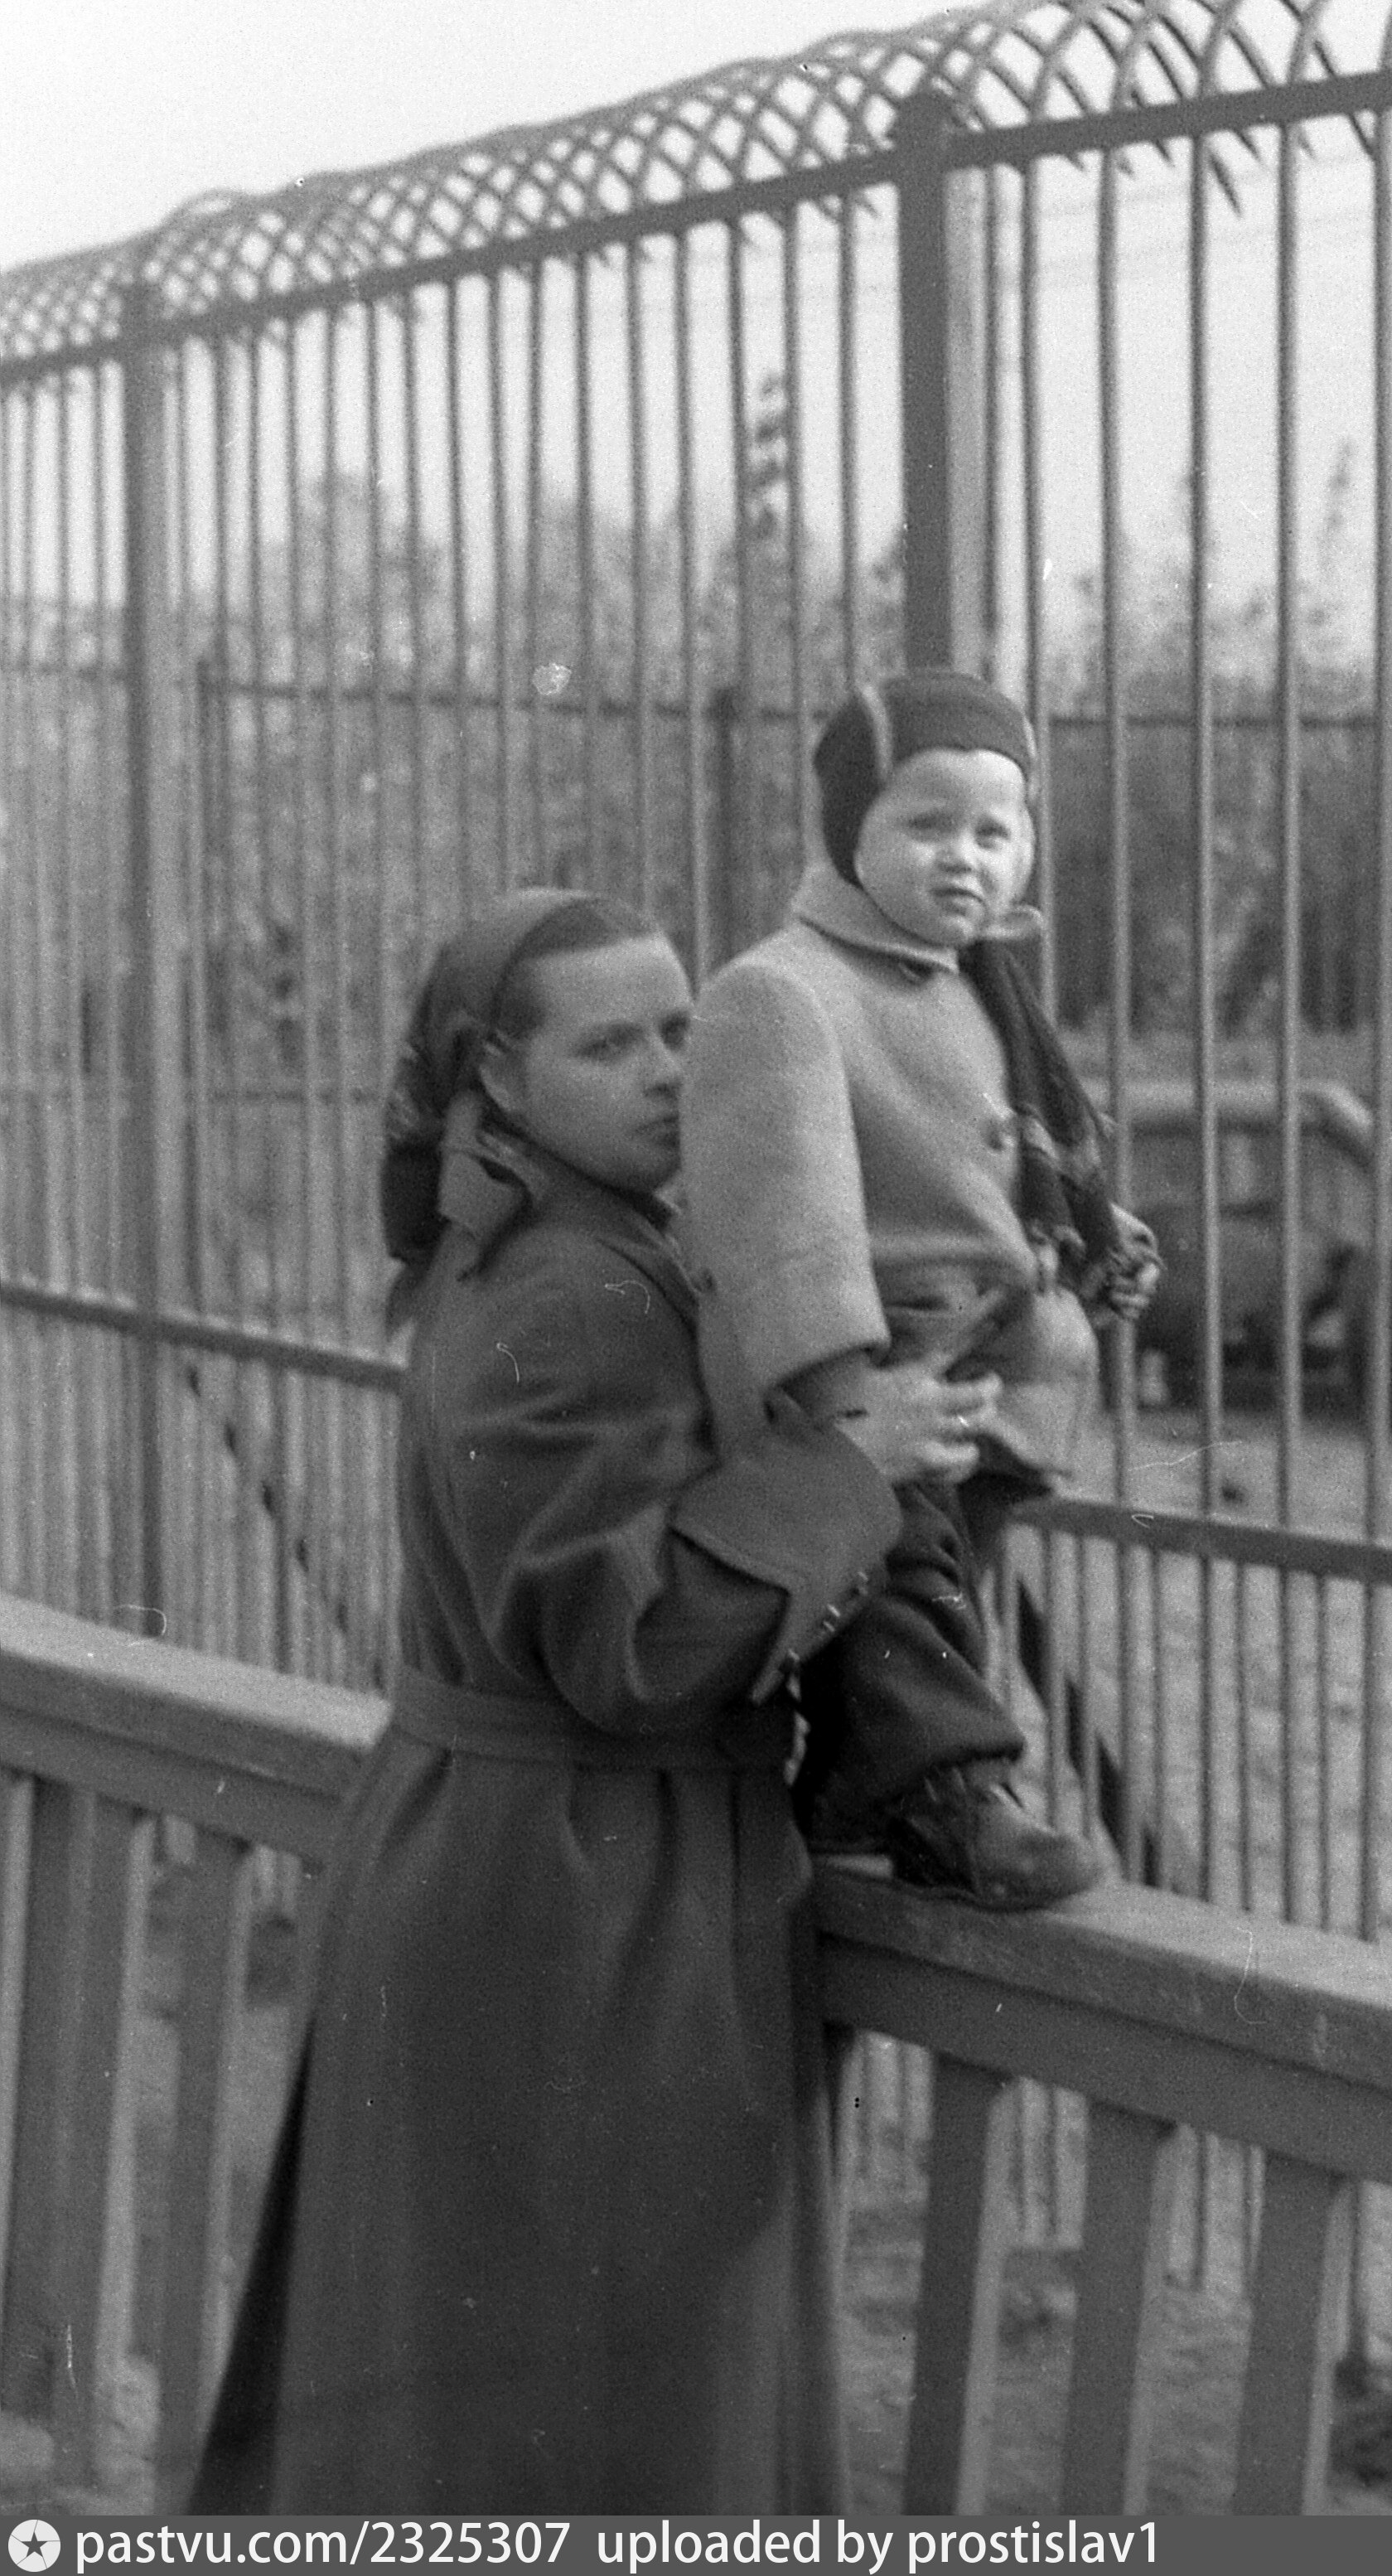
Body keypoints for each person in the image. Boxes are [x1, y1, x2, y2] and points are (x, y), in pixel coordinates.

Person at [191, 888, 993, 2512]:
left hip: (517, 1862)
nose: (667, 1069)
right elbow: (632, 1649)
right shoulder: (573, 1285)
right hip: (587, 1898)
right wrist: (849, 1467)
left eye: (683, 1029)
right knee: (602, 2409)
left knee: (478, 2404)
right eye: (608, 1044)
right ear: (498, 1074)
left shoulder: (552, 1241)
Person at [682, 671, 1159, 1914]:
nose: (966, 857)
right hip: (879, 1366)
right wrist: (845, 1402)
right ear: (851, 831)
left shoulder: (980, 984)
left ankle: (857, 1785)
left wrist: (1094, 1237)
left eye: (996, 830)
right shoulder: (786, 990)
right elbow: (782, 1211)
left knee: (929, 1594)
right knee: (901, 1585)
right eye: (926, 824)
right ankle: (947, 1796)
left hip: (995, 1357)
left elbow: (1001, 1162)